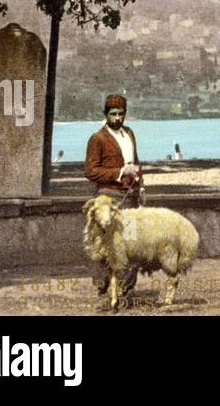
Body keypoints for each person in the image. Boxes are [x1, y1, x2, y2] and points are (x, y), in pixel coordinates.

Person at [84, 95, 142, 297]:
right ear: (105, 114)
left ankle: (125, 291)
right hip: (107, 197)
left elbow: (135, 161)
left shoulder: (130, 134)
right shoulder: (97, 139)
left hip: (131, 196)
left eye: (121, 114)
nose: (117, 118)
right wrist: (120, 172)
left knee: (132, 242)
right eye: (113, 114)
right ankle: (102, 287)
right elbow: (91, 171)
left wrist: (139, 183)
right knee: (105, 245)